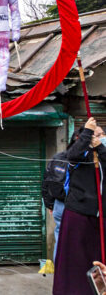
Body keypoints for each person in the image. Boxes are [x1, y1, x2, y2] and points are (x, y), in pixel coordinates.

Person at [53, 117, 106, 295]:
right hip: (79, 212)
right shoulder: (80, 154)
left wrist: (100, 147)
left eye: (101, 134)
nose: (98, 136)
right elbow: (72, 155)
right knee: (75, 259)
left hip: (100, 216)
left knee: (98, 259)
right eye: (95, 134)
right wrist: (87, 134)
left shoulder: (102, 152)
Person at [42, 131, 77, 260]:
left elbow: (47, 181)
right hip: (73, 205)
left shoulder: (57, 157)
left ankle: (60, 273)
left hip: (59, 204)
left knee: (60, 238)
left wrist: (50, 204)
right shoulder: (84, 160)